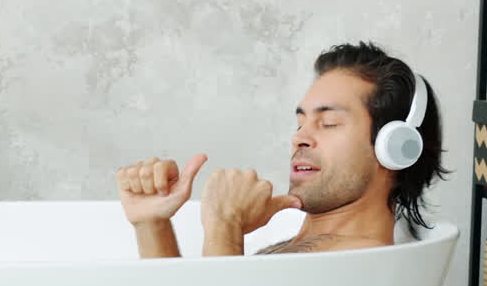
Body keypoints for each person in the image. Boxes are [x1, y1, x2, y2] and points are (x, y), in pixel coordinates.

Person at [115, 41, 447, 258]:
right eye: (300, 123)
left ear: (394, 148)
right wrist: (152, 225)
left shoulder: (361, 263)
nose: (300, 138)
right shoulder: (306, 248)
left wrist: (225, 226)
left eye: (328, 123)